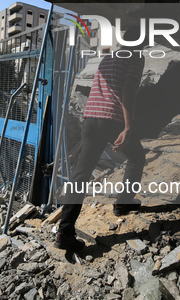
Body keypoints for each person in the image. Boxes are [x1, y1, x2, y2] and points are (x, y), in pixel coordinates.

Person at [55, 36, 146, 252]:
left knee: (81, 173)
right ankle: (123, 202)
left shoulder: (109, 57)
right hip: (111, 117)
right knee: (136, 156)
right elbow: (128, 91)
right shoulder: (135, 57)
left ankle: (64, 231)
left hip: (90, 117)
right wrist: (127, 126)